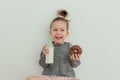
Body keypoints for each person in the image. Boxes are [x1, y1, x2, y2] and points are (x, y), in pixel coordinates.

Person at [27, 9, 81, 80]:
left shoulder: (69, 46)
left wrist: (74, 59)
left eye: (62, 30)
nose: (58, 32)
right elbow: (42, 64)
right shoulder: (47, 46)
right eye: (55, 30)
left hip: (66, 77)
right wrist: (45, 55)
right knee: (30, 78)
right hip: (49, 77)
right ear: (50, 33)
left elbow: (76, 65)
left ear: (67, 33)